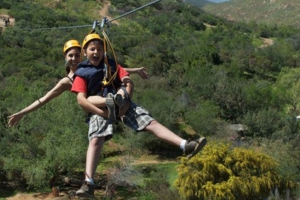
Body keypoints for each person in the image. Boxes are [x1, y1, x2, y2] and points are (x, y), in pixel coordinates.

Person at [71, 33, 207, 197]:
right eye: (92, 49)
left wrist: (126, 99)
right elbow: (81, 100)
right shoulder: (82, 72)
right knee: (95, 140)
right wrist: (102, 112)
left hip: (121, 104)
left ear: (104, 51)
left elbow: (128, 81)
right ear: (85, 52)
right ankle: (88, 183)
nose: (96, 52)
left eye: (99, 49)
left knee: (150, 123)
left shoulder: (112, 64)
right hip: (99, 108)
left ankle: (186, 145)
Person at [7, 39, 149, 127]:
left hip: (111, 103)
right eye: (71, 56)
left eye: (77, 55)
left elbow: (113, 70)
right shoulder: (67, 81)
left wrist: (135, 70)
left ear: (83, 55)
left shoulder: (90, 66)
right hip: (97, 109)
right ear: (65, 57)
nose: (74, 59)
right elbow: (43, 99)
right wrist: (22, 113)